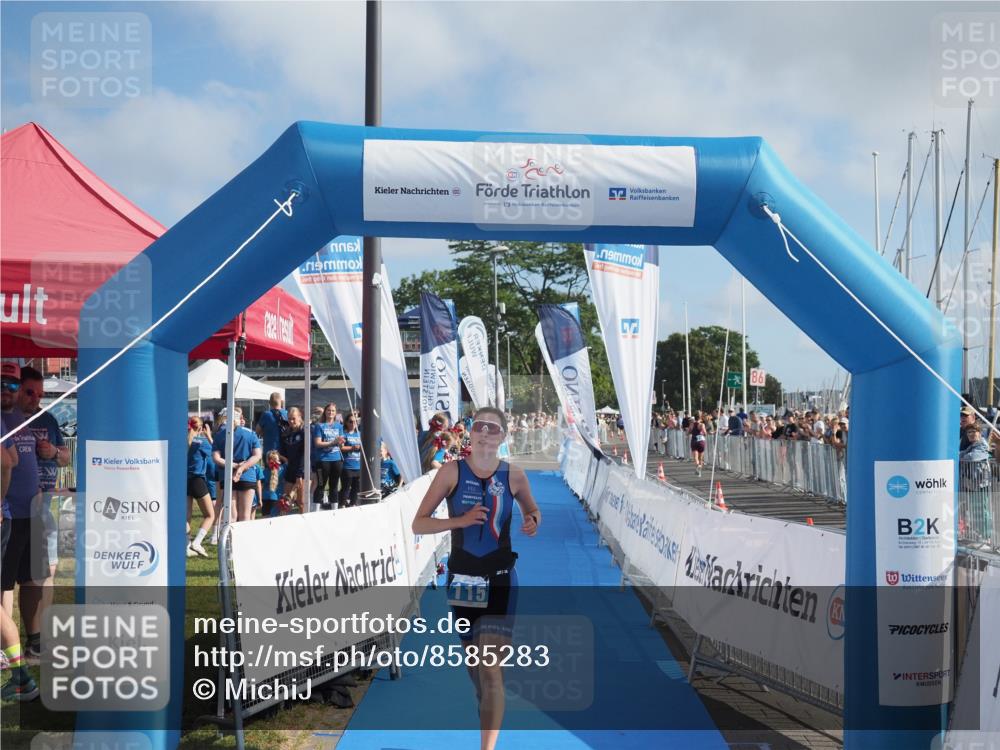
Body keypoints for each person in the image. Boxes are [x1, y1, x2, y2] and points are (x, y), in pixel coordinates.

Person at [411, 407, 540, 750]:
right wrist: (459, 521)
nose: (485, 433)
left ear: (502, 436)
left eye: (492, 428)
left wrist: (532, 520)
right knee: (477, 672)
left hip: (500, 579)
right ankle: (487, 706)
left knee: (491, 668)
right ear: (472, 433)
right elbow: (418, 523)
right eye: (479, 426)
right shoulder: (452, 472)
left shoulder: (514, 475)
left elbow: (532, 509)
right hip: (464, 580)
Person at [14, 366, 68, 661]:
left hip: (43, 508)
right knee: (9, 578)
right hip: (12, 509)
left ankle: (37, 639)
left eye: (40, 394)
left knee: (41, 575)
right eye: (30, 392)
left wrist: (54, 454)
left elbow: (66, 456)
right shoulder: (7, 418)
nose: (36, 399)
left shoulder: (47, 419)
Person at [1, 362, 50, 673]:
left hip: (30, 514)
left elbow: (18, 461)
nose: (9, 390)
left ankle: (33, 642)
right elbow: (8, 462)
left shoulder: (22, 420)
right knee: (3, 584)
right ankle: (9, 651)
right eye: (3, 384)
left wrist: (56, 454)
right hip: (10, 517)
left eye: (13, 385)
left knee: (33, 579)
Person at [211, 406, 262, 522]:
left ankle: (230, 540)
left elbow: (216, 457)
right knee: (245, 515)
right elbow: (257, 455)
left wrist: (234, 466)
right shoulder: (250, 433)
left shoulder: (219, 435)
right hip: (248, 475)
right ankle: (244, 540)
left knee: (231, 516)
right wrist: (242, 467)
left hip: (228, 476)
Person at [959, 423, 993, 542]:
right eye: (969, 432)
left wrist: (961, 457)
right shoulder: (971, 446)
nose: (971, 434)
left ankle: (986, 536)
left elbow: (973, 457)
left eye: (974, 431)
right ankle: (980, 534)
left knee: (982, 511)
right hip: (973, 485)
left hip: (981, 484)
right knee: (975, 510)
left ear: (980, 433)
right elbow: (963, 454)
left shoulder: (982, 444)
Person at [186, 417, 215, 557]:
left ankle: (186, 546)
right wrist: (209, 436)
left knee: (187, 516)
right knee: (210, 514)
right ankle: (197, 542)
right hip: (197, 479)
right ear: (201, 427)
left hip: (184, 480)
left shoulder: (183, 441)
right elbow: (217, 450)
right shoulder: (202, 442)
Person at [312, 403, 343, 510]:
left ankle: (335, 510)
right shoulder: (319, 426)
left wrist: (341, 442)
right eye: (329, 410)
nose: (331, 412)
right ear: (325, 412)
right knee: (321, 485)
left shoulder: (339, 426)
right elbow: (317, 443)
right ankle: (315, 510)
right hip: (323, 460)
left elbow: (341, 444)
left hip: (336, 459)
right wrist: (332, 443)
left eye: (333, 411)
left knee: (334, 486)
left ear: (336, 413)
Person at [279, 407, 307, 513]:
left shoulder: (305, 431)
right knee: (285, 501)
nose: (291, 421)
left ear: (300, 417)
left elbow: (305, 454)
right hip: (290, 469)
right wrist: (278, 457)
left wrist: (300, 474)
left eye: (293, 419)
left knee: (301, 502)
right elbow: (284, 454)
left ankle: (305, 526)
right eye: (289, 419)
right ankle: (286, 524)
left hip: (302, 471)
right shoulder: (286, 433)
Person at [339, 414, 362, 507]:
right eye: (351, 421)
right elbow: (341, 448)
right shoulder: (344, 434)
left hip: (358, 466)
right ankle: (342, 504)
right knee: (346, 487)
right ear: (346, 422)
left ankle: (353, 504)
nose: (353, 424)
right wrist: (352, 448)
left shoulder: (359, 434)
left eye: (355, 422)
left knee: (356, 488)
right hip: (347, 465)